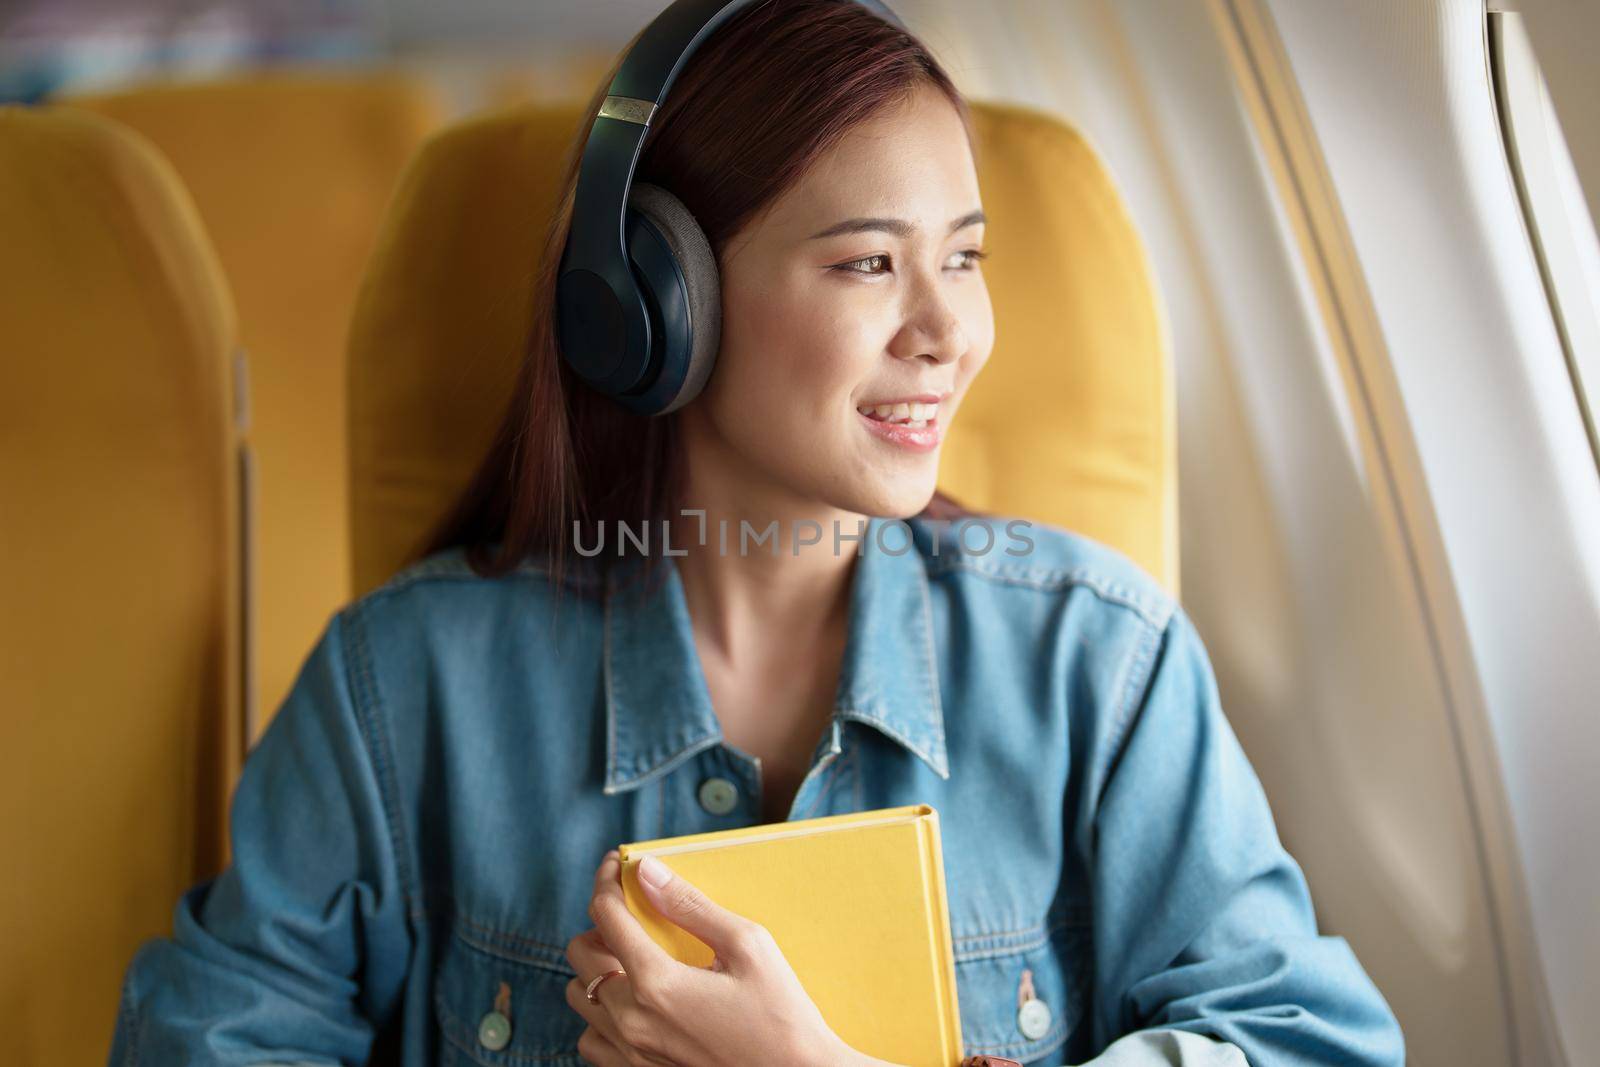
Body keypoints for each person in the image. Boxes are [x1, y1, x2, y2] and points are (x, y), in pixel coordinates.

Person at [110, 1, 1406, 1064]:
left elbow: (1310, 1045)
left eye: (964, 257)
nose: (951, 333)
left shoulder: (1101, 668)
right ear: (653, 305)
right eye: (866, 264)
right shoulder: (404, 691)